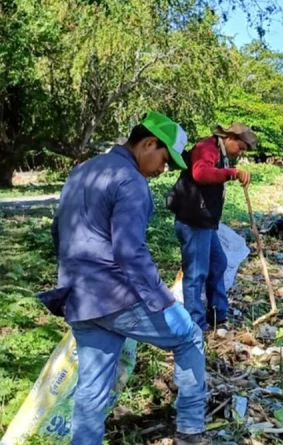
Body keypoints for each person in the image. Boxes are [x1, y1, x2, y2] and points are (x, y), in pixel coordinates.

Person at [47, 111, 210, 445]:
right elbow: (129, 251)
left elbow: (57, 230)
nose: (162, 170)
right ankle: (191, 430)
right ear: (148, 143)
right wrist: (163, 301)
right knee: (189, 336)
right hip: (116, 296)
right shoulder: (131, 180)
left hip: (79, 298)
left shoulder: (83, 171)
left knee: (92, 388)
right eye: (164, 160)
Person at [166, 122, 257, 331]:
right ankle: (195, 323)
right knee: (196, 272)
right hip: (193, 220)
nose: (239, 153)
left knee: (218, 263)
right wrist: (231, 173)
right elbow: (200, 173)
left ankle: (218, 314)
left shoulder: (220, 152)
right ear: (231, 138)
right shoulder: (207, 147)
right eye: (240, 148)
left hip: (206, 221)